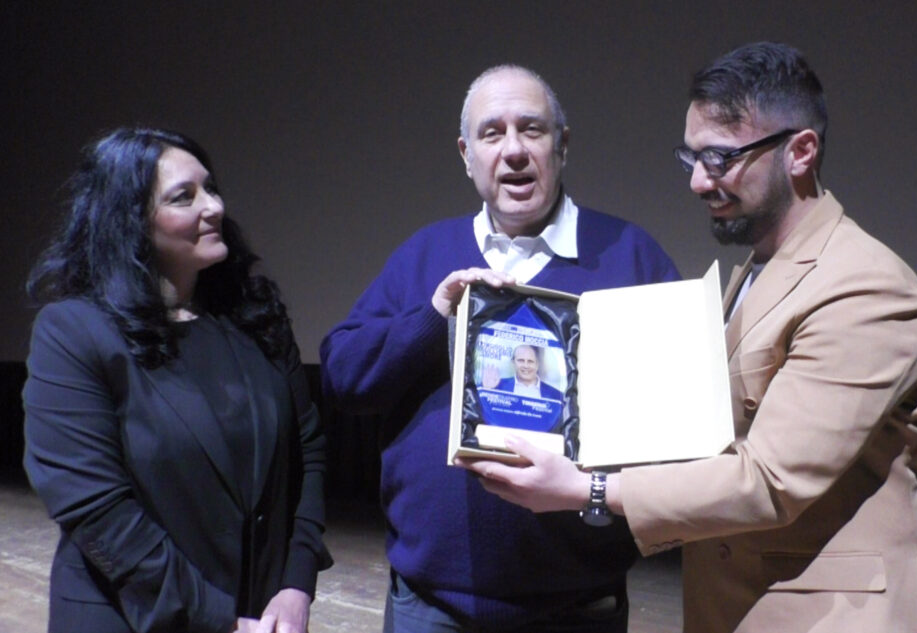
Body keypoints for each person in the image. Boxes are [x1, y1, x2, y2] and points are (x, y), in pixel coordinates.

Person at [458, 43, 917, 633]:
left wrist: (590, 490)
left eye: (720, 158)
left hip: (830, 616)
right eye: (691, 158)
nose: (698, 181)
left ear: (800, 152)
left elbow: (771, 480)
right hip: (739, 605)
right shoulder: (758, 270)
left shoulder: (865, 286)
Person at [320, 65, 679, 632]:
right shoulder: (425, 254)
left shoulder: (630, 256)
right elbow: (343, 376)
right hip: (430, 607)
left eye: (531, 129)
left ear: (562, 145)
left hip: (577, 609)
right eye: (492, 133)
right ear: (467, 155)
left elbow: (678, 418)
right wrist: (433, 316)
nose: (513, 150)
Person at [22, 128, 333, 633]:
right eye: (183, 197)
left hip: (258, 611)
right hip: (129, 617)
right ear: (130, 222)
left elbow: (309, 452)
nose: (214, 206)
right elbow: (98, 509)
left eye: (211, 188)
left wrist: (297, 584)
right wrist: (219, 621)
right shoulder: (74, 333)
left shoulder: (256, 318)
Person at [487, 344, 562, 400]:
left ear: (537, 364)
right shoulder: (497, 386)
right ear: (513, 362)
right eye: (521, 360)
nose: (526, 366)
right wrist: (488, 389)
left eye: (530, 361)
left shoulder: (556, 395)